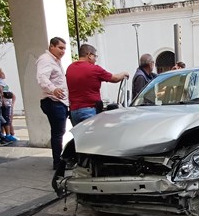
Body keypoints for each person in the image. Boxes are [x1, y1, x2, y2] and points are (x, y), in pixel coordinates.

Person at [66, 44, 129, 126]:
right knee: (92, 137)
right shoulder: (94, 69)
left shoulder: (70, 68)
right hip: (89, 111)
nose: (95, 59)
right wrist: (124, 73)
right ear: (89, 55)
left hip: (74, 112)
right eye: (95, 56)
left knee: (80, 138)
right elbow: (115, 78)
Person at [36, 37, 69, 170]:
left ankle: (60, 160)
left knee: (59, 132)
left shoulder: (55, 61)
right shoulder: (45, 59)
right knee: (57, 133)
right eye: (60, 48)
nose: (63, 51)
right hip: (53, 101)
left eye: (64, 48)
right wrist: (53, 89)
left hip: (60, 102)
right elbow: (42, 77)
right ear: (52, 46)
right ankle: (58, 162)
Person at [0, 68, 18, 142]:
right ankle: (8, 135)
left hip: (7, 102)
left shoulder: (1, 81)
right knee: (7, 118)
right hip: (5, 102)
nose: (4, 74)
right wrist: (3, 101)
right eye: (2, 73)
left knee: (6, 118)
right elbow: (1, 91)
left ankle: (7, 134)